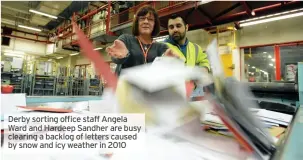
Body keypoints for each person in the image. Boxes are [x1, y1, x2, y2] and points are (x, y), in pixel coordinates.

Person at [106, 5, 173, 75]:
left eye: (150, 19)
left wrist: (169, 62)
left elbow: (166, 69)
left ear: (154, 24)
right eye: (142, 18)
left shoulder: (161, 47)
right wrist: (120, 56)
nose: (146, 21)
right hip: (125, 85)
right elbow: (116, 58)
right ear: (137, 23)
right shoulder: (126, 39)